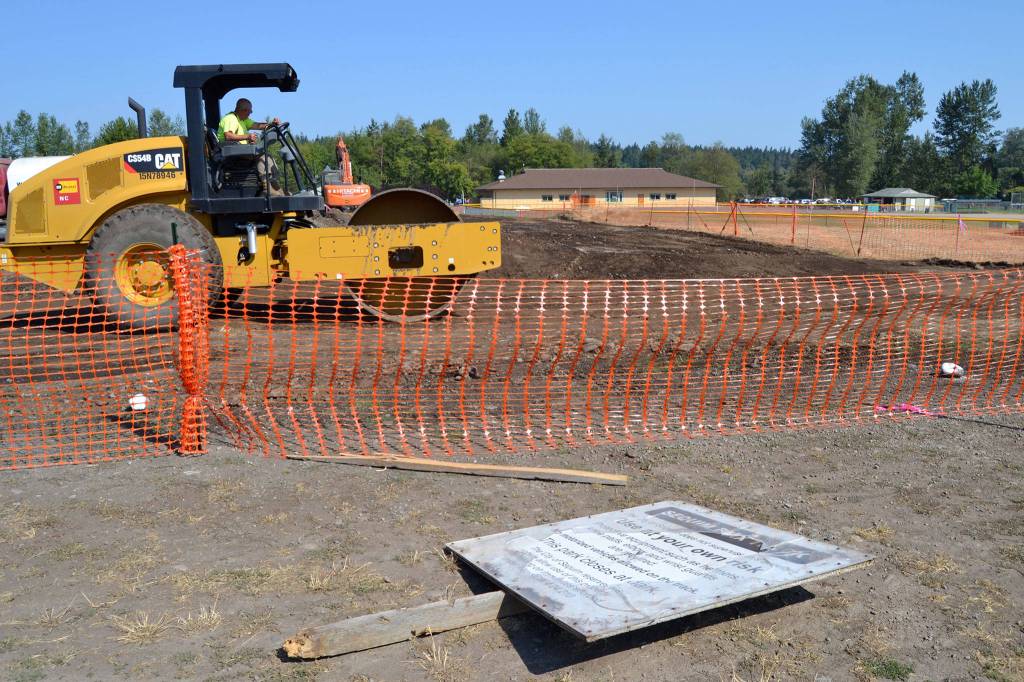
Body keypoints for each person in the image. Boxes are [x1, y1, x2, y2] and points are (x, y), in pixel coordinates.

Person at [217, 98, 284, 194]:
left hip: (240, 152)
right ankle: (267, 188)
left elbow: (257, 126)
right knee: (262, 157)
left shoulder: (242, 120)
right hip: (233, 156)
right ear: (243, 110)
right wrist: (248, 136)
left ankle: (274, 185)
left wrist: (272, 124)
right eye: (250, 111)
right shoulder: (230, 119)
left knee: (266, 154)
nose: (251, 112)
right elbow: (228, 136)